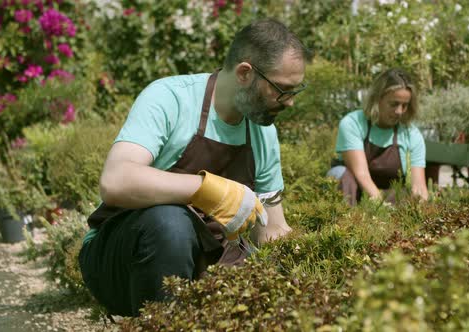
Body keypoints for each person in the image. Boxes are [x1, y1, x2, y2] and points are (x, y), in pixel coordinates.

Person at [78, 18, 310, 317]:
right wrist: (207, 190)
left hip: (208, 263)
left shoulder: (262, 131)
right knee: (169, 222)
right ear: (244, 73)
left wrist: (310, 264)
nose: (289, 102)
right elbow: (116, 181)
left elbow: (271, 227)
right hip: (122, 258)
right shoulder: (170, 98)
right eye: (283, 89)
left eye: (295, 90)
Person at [327, 68, 428, 206]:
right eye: (394, 104)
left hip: (389, 199)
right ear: (377, 99)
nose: (399, 111)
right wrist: (382, 209)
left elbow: (419, 186)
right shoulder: (353, 123)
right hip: (355, 193)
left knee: (405, 193)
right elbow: (361, 174)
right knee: (339, 173)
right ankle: (345, 222)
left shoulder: (412, 134)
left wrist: (422, 211)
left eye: (404, 105)